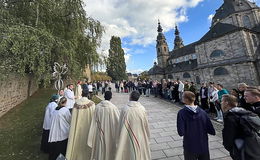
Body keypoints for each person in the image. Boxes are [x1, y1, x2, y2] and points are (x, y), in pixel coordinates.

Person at [177, 91, 215, 160]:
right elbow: (210, 129)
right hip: (203, 143)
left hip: (190, 144)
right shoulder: (203, 112)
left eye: (183, 97)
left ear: (186, 99)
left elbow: (181, 132)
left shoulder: (181, 113)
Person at [222, 94, 260, 160]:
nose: (221, 103)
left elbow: (228, 137)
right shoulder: (242, 111)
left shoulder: (230, 116)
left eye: (222, 101)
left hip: (241, 149)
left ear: (226, 103)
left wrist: (231, 149)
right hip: (252, 145)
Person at [115, 91, 151, 160]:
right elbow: (146, 124)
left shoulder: (125, 109)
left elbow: (120, 124)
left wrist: (119, 136)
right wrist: (147, 136)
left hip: (127, 135)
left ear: (130, 97)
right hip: (140, 135)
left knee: (129, 152)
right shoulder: (142, 109)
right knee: (139, 152)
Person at [87, 91, 120, 160]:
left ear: (104, 96)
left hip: (99, 132)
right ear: (111, 97)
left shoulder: (98, 107)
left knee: (100, 149)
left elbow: (94, 121)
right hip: (110, 133)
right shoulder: (113, 108)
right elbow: (118, 122)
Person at [66, 91, 95, 160]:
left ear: (81, 94)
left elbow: (73, 117)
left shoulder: (76, 104)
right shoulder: (92, 104)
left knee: (76, 140)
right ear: (88, 94)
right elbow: (94, 117)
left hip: (77, 128)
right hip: (87, 127)